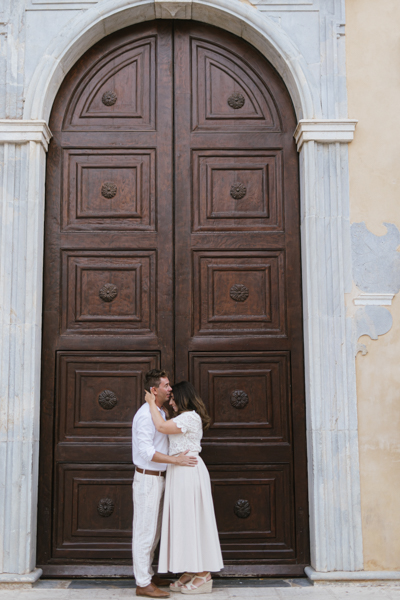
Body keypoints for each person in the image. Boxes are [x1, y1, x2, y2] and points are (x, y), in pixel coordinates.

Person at [145, 381, 224, 595]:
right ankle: (192, 568)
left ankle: (204, 574)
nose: (171, 403)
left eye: (173, 399)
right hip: (179, 471)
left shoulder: (189, 417)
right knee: (184, 520)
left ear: (183, 398)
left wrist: (151, 403)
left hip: (188, 472)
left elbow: (161, 427)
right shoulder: (182, 418)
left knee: (193, 519)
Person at [132, 370, 198, 599]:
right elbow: (146, 452)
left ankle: (148, 575)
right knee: (145, 532)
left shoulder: (160, 412)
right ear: (154, 390)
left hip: (159, 478)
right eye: (166, 385)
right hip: (147, 478)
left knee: (154, 532)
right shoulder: (145, 415)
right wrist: (176, 460)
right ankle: (142, 583)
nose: (170, 389)